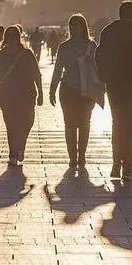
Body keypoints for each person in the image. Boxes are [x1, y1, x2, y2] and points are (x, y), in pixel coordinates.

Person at [96, 1, 132, 181]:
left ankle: (116, 164)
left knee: (117, 123)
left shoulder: (107, 32)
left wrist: (105, 75)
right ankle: (127, 166)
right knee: (131, 126)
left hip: (113, 86)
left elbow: (99, 55)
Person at [0, 26, 43, 166]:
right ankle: (13, 153)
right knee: (11, 125)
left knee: (28, 122)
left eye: (15, 35)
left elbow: (36, 74)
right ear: (5, 37)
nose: (12, 38)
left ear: (19, 37)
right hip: (8, 96)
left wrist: (41, 93)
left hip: (27, 94)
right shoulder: (0, 56)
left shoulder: (27, 54)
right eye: (9, 35)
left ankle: (21, 144)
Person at [49, 15, 98, 169]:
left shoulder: (91, 46)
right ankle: (72, 157)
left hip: (86, 91)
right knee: (69, 124)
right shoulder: (64, 47)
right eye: (71, 24)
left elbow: (97, 69)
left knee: (84, 124)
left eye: (77, 25)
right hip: (68, 89)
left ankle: (82, 155)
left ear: (83, 27)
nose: (74, 27)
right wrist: (52, 90)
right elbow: (58, 70)